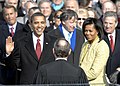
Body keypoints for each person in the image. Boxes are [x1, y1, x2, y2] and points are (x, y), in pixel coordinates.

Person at [5, 12, 56, 84]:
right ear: (30, 24)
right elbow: (13, 66)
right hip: (28, 83)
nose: (39, 26)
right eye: (36, 23)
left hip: (48, 82)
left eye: (42, 22)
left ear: (45, 24)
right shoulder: (21, 42)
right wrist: (9, 54)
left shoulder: (53, 42)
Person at [79, 17, 109, 85]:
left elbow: (94, 72)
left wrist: (78, 76)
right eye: (85, 30)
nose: (87, 33)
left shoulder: (102, 46)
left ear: (97, 31)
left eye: (90, 31)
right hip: (84, 82)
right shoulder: (85, 44)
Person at [0, 5, 24, 84]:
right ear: (3, 16)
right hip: (4, 70)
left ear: (16, 14)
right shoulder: (0, 30)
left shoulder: (25, 29)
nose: (9, 17)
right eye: (7, 14)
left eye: (11, 14)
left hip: (21, 70)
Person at [103, 11, 120, 84]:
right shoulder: (99, 36)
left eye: (110, 23)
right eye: (105, 23)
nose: (107, 26)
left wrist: (119, 70)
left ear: (116, 24)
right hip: (103, 79)